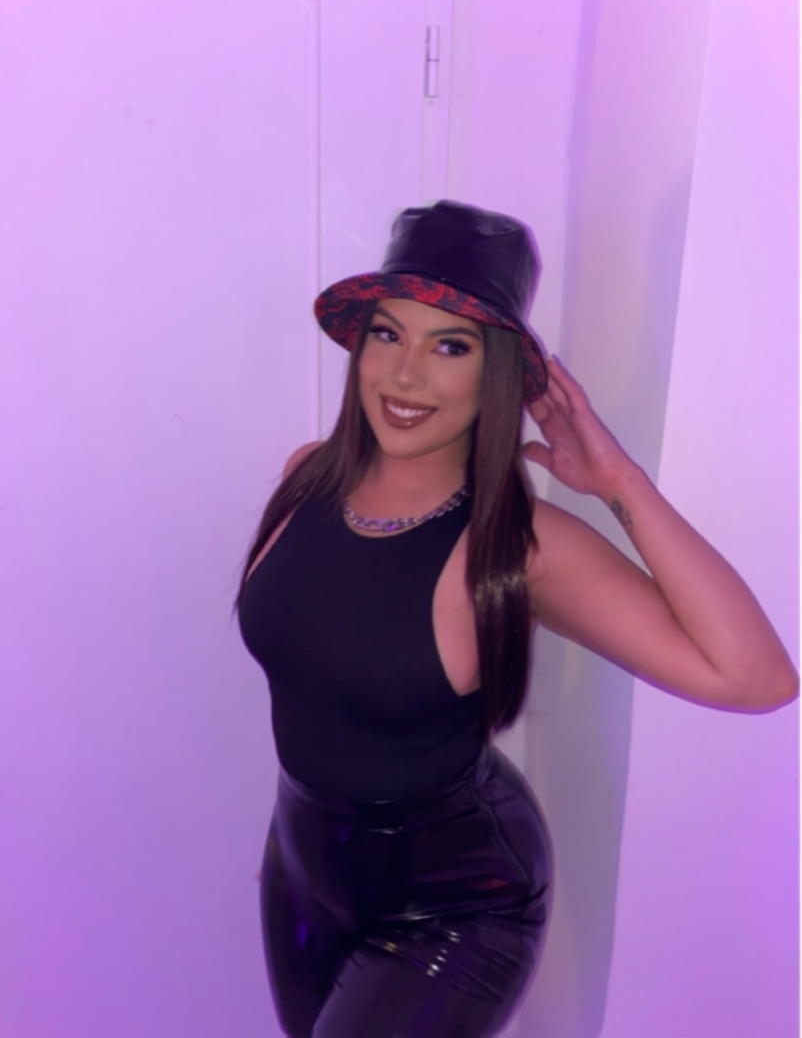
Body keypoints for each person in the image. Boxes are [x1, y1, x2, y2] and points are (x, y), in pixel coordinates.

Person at [236, 200, 798, 1038]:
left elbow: (755, 677)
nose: (405, 375)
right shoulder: (307, 476)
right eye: (388, 334)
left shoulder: (518, 545)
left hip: (454, 904)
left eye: (450, 346)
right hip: (302, 866)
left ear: (495, 371)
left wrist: (619, 482)